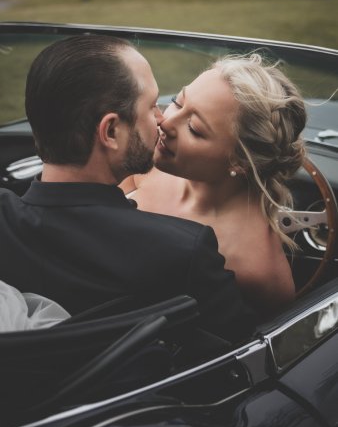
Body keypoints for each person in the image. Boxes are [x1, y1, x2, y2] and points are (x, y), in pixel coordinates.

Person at [0, 35, 255, 344]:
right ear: (110, 131)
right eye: (151, 106)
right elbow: (241, 363)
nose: (163, 119)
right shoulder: (185, 254)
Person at [122, 54, 306, 319]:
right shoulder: (152, 154)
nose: (165, 122)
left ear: (240, 162)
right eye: (177, 101)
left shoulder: (257, 268)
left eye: (195, 129)